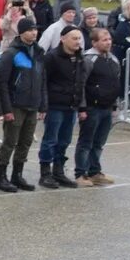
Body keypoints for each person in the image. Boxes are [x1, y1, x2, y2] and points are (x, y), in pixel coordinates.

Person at [0, 18, 46, 192]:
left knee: (25, 142)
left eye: (35, 30)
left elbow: (42, 80)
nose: (34, 32)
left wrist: (43, 105)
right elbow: (2, 82)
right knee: (10, 141)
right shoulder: (11, 53)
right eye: (30, 30)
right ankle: (1, 177)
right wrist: (6, 109)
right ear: (21, 32)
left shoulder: (39, 52)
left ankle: (18, 174)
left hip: (32, 104)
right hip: (16, 105)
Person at [37, 26, 87, 190]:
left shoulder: (80, 57)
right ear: (63, 39)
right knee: (50, 139)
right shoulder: (52, 57)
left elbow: (80, 82)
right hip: (55, 104)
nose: (77, 42)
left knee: (64, 140)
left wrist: (81, 106)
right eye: (74, 38)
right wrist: (43, 105)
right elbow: (43, 81)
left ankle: (58, 170)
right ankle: (45, 173)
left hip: (71, 105)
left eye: (79, 38)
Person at [75, 28, 120, 187]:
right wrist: (82, 108)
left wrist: (114, 105)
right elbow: (81, 85)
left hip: (107, 107)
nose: (108, 42)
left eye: (109, 39)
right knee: (86, 142)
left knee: (99, 142)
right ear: (94, 42)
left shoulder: (113, 59)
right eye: (104, 40)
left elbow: (115, 83)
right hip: (91, 108)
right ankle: (80, 173)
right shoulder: (88, 59)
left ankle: (94, 171)